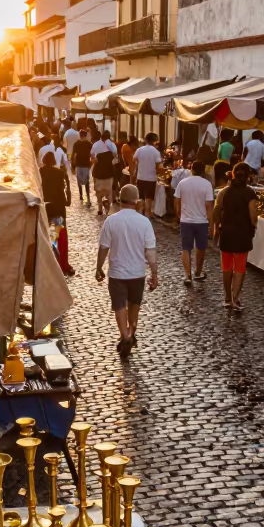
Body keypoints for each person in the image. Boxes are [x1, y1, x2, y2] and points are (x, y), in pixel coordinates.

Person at [96, 184, 158, 358]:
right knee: (134, 305)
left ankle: (124, 336)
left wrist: (99, 267)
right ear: (136, 201)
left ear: (120, 199)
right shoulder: (144, 222)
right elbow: (150, 251)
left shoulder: (112, 221)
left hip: (117, 273)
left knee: (119, 306)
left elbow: (103, 247)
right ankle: (131, 332)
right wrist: (154, 274)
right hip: (137, 273)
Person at [212, 162, 258, 311]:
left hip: (226, 232)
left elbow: (217, 210)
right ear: (247, 177)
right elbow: (253, 214)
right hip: (243, 234)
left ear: (232, 174)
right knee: (239, 267)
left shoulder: (223, 192)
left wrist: (216, 227)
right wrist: (253, 225)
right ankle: (236, 299)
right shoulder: (250, 193)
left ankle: (227, 298)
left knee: (226, 267)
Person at [175, 159, 215, 284]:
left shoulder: (183, 183)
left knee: (186, 248)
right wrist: (212, 224)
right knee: (201, 248)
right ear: (203, 171)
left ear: (191, 169)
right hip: (201, 221)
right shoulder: (207, 184)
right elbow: (209, 206)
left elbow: (176, 201)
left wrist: (179, 214)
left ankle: (187, 276)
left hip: (186, 220)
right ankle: (197, 272)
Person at [40, 151, 74, 276]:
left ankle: (49, 263)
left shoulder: (39, 173)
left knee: (49, 237)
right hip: (57, 208)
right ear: (54, 160)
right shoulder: (59, 173)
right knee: (61, 239)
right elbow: (63, 189)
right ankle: (62, 264)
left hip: (45, 208)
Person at [131, 132, 164, 218]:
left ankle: (139, 214)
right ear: (154, 141)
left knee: (140, 197)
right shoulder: (156, 152)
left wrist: (139, 165)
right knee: (149, 198)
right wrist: (159, 170)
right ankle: (147, 214)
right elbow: (159, 166)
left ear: (145, 140)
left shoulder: (139, 150)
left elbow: (134, 160)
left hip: (140, 177)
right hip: (151, 178)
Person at [90, 131, 118, 215]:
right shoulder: (112, 145)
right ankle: (107, 209)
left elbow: (92, 156)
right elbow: (115, 157)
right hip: (109, 172)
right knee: (108, 191)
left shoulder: (95, 145)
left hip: (98, 172)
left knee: (99, 191)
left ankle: (100, 208)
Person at [71, 128, 94, 206]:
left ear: (80, 135)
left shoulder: (76, 144)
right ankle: (87, 196)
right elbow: (92, 155)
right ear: (86, 135)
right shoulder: (89, 144)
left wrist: (72, 166)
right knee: (86, 181)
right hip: (86, 165)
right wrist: (91, 163)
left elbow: (73, 155)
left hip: (79, 164)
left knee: (79, 181)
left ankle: (81, 195)